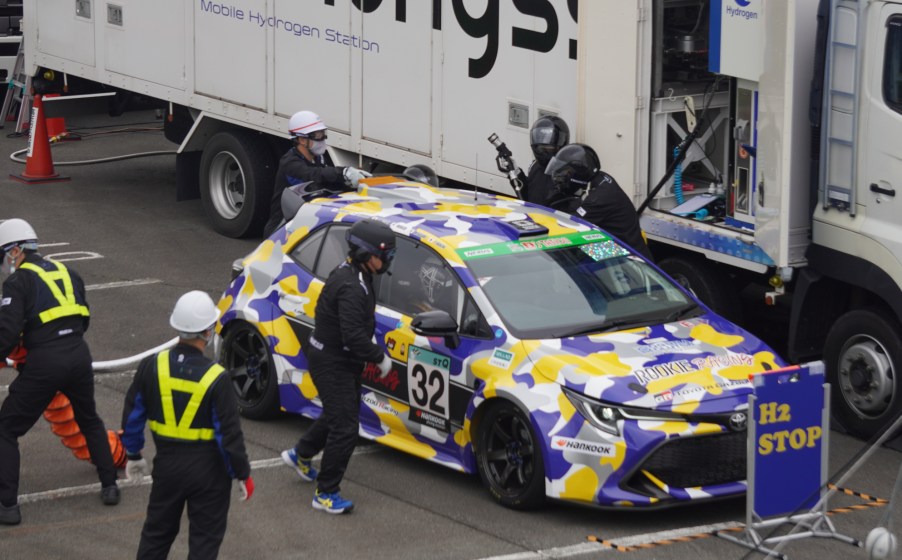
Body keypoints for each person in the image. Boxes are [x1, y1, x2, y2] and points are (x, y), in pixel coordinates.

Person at [0, 219, 120, 526]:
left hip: (45, 363)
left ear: (15, 251)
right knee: (89, 419)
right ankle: (109, 487)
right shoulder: (69, 272)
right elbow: (84, 317)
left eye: (2, 256)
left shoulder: (18, 282)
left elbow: (8, 333)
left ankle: (8, 507)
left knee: (6, 429)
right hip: (79, 354)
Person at [121, 291, 252, 558]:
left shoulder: (151, 366)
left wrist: (133, 454)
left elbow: (133, 416)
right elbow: (229, 436)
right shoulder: (217, 377)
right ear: (208, 331)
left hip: (167, 467)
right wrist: (242, 473)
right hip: (210, 473)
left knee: (156, 536)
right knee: (204, 543)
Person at [281, 219, 396, 514]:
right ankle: (326, 493)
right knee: (346, 428)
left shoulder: (355, 274)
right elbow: (353, 336)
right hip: (333, 362)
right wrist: (378, 356)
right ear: (365, 254)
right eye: (383, 256)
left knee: (337, 414)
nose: (386, 262)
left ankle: (301, 454)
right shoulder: (352, 286)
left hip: (337, 358)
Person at [263, 110, 372, 237]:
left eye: (323, 133)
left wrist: (350, 181)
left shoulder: (318, 158)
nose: (323, 138)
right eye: (318, 135)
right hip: (282, 230)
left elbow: (327, 182)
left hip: (305, 224)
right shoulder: (289, 163)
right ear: (302, 140)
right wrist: (343, 173)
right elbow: (313, 176)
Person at [545, 143, 655, 262]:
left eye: (565, 173)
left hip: (630, 260)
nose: (560, 177)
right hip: (622, 246)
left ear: (578, 174)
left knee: (570, 255)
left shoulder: (598, 200)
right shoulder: (601, 178)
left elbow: (572, 226)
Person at [495, 116, 569, 206]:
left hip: (552, 218)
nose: (543, 152)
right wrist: (515, 172)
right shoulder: (535, 166)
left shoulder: (567, 172)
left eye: (548, 148)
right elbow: (527, 196)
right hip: (533, 216)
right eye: (540, 148)